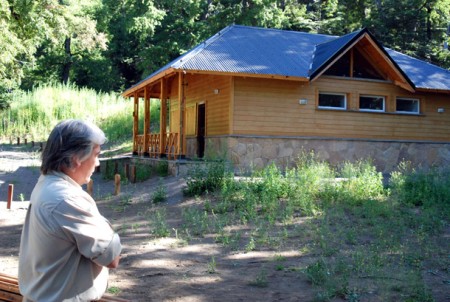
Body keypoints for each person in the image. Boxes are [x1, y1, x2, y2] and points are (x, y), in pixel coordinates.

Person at [18, 119, 122, 302]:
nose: (97, 163)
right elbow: (111, 257)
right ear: (76, 159)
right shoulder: (68, 198)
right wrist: (102, 222)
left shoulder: (47, 183)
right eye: (96, 154)